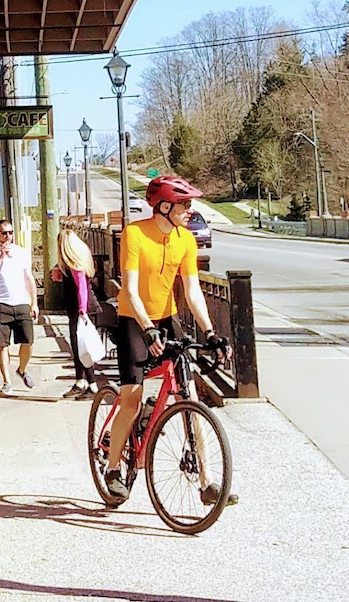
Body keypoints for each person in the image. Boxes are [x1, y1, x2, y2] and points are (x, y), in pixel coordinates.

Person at [101, 175, 229, 501]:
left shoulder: (186, 239)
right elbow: (129, 289)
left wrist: (211, 331)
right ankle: (113, 467)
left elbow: (193, 291)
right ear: (165, 205)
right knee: (131, 396)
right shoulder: (135, 234)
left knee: (190, 397)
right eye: (185, 204)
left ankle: (207, 482)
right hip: (134, 318)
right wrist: (147, 327)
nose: (191, 210)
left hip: (167, 318)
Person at [0, 218, 37, 395]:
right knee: (3, 344)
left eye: (10, 233)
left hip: (21, 302)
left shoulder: (21, 252)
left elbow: (29, 278)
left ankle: (22, 369)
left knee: (28, 341)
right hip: (0, 303)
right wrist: (2, 256)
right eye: (4, 233)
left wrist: (34, 303)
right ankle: (6, 382)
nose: (8, 236)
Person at [49, 228, 99, 397]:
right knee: (79, 346)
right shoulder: (77, 262)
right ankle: (82, 381)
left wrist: (82, 310)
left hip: (81, 309)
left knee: (82, 346)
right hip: (80, 308)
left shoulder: (75, 265)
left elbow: (82, 288)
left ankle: (89, 383)